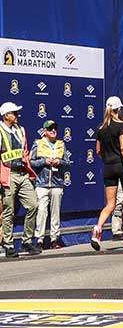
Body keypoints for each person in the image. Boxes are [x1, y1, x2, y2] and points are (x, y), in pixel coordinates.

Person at [91, 96, 123, 252]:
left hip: (108, 167)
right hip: (121, 166)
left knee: (110, 204)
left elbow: (98, 150)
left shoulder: (101, 129)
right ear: (119, 109)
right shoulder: (121, 126)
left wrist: (108, 159)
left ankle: (98, 228)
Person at [0, 102, 39, 257]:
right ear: (6, 115)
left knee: (34, 205)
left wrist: (28, 169)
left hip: (22, 173)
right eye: (14, 113)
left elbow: (25, 152)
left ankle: (26, 242)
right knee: (9, 210)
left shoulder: (21, 130)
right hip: (8, 174)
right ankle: (9, 245)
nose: (17, 115)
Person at [30, 120, 69, 250]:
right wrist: (44, 161)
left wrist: (60, 162)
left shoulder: (61, 144)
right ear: (45, 131)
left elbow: (68, 163)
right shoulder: (38, 143)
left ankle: (54, 239)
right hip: (42, 183)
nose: (53, 130)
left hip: (57, 183)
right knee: (41, 211)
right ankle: (39, 240)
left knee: (55, 212)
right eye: (50, 128)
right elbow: (31, 162)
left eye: (55, 128)